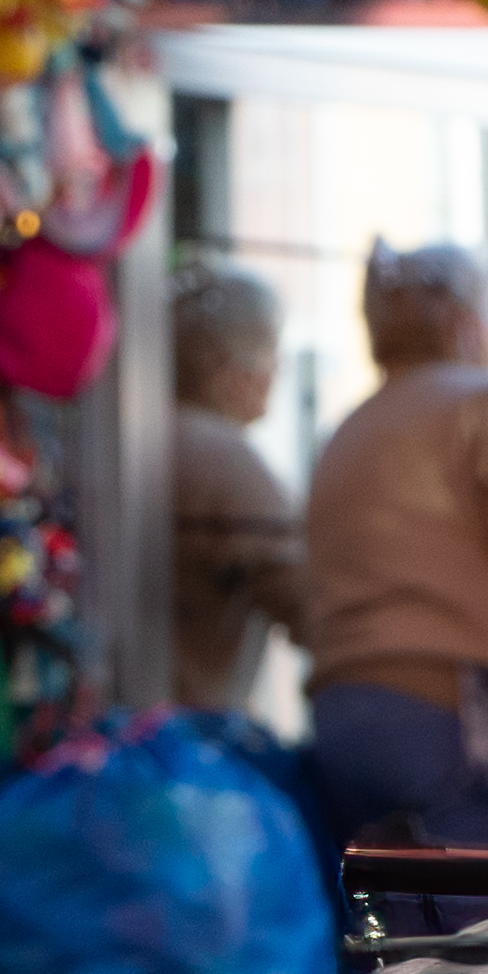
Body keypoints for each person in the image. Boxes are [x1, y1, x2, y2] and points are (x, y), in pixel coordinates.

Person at [299, 241, 488, 861]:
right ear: (466, 322)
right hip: (454, 710)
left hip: (342, 712)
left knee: (384, 929)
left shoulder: (346, 431)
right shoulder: (487, 408)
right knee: (480, 932)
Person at [168, 262, 305, 715]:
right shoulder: (225, 461)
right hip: (175, 748)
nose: (277, 371)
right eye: (271, 350)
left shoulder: (149, 438)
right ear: (224, 366)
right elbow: (313, 604)